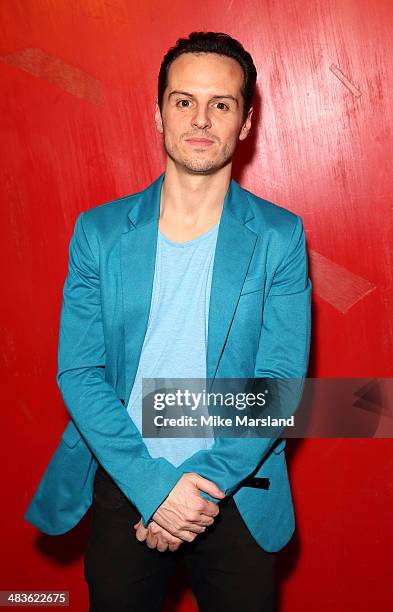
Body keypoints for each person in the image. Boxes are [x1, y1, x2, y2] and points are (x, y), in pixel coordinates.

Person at [24, 31, 312, 611]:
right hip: (125, 478)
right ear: (158, 114)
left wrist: (190, 494)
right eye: (184, 101)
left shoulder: (281, 237)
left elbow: (278, 387)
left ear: (246, 122)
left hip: (236, 488)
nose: (201, 119)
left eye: (221, 104)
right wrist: (156, 489)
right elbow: (79, 372)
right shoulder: (98, 234)